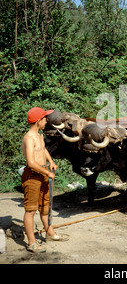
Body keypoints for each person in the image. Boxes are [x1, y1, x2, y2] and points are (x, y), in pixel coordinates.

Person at [21, 107, 69, 253]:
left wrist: (50, 162)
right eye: (44, 119)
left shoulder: (39, 135)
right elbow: (30, 162)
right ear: (37, 121)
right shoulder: (29, 138)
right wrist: (47, 172)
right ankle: (32, 243)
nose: (46, 120)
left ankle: (50, 233)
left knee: (45, 207)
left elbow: (43, 150)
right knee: (30, 210)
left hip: (42, 174)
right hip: (32, 176)